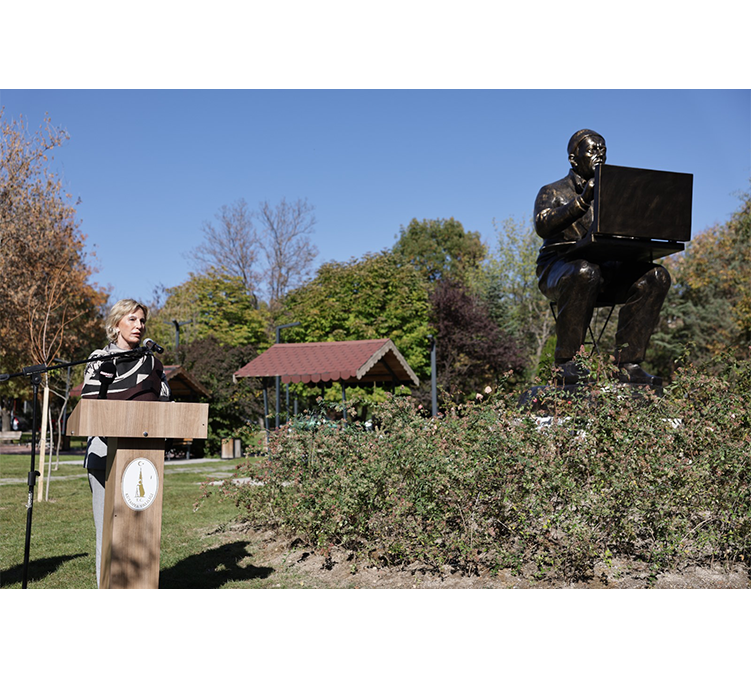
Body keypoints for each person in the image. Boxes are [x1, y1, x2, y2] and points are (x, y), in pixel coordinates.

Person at [534, 129, 671, 386]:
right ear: (573, 159)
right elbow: (543, 226)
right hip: (559, 267)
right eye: (592, 149)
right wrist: (584, 199)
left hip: (605, 267)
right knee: (585, 271)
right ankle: (567, 364)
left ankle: (627, 365)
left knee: (656, 276)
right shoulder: (552, 191)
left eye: (603, 149)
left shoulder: (616, 194)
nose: (600, 154)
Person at [80, 299, 171, 587]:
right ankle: (105, 590)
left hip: (142, 460)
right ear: (116, 323)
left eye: (142, 320)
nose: (139, 326)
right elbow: (89, 404)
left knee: (139, 530)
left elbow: (165, 404)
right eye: (132, 319)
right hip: (103, 455)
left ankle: (139, 588)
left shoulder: (152, 362)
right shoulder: (100, 358)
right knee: (107, 531)